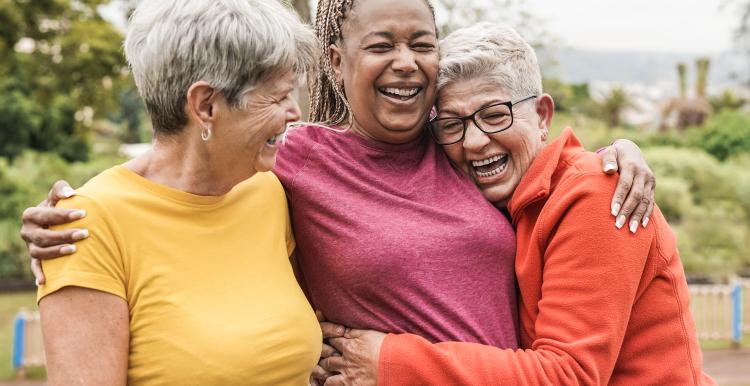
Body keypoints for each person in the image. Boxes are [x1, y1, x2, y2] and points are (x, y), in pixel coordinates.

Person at [21, 0, 656, 382]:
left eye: (422, 45)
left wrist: (613, 157)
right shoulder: (294, 164)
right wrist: (80, 208)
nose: (406, 62)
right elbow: (186, 158)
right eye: (380, 45)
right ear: (334, 61)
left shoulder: (458, 144)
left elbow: (529, 151)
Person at [316, 23, 714, 385]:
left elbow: (566, 375)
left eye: (495, 115)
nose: (474, 142)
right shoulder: (499, 197)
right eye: (453, 124)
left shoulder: (595, 196)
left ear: (542, 115)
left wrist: (389, 360)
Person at [30, 1, 322, 384]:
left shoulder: (267, 190)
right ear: (205, 106)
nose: (294, 113)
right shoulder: (85, 226)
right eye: (278, 96)